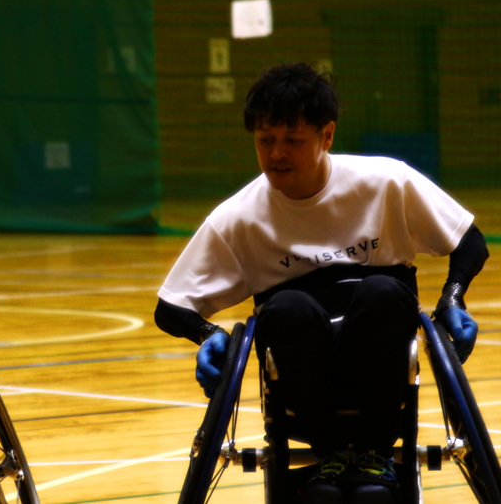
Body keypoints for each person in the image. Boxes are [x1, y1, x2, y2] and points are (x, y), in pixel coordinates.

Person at [154, 63, 487, 504]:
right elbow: (170, 305)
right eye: (265, 140)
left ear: (327, 136)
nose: (276, 154)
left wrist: (453, 298)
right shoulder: (239, 216)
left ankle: (373, 453)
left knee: (384, 292)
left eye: (293, 140)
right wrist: (209, 335)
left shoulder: (385, 181)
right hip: (299, 357)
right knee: (289, 306)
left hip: (381, 344)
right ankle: (330, 453)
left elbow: (470, 241)